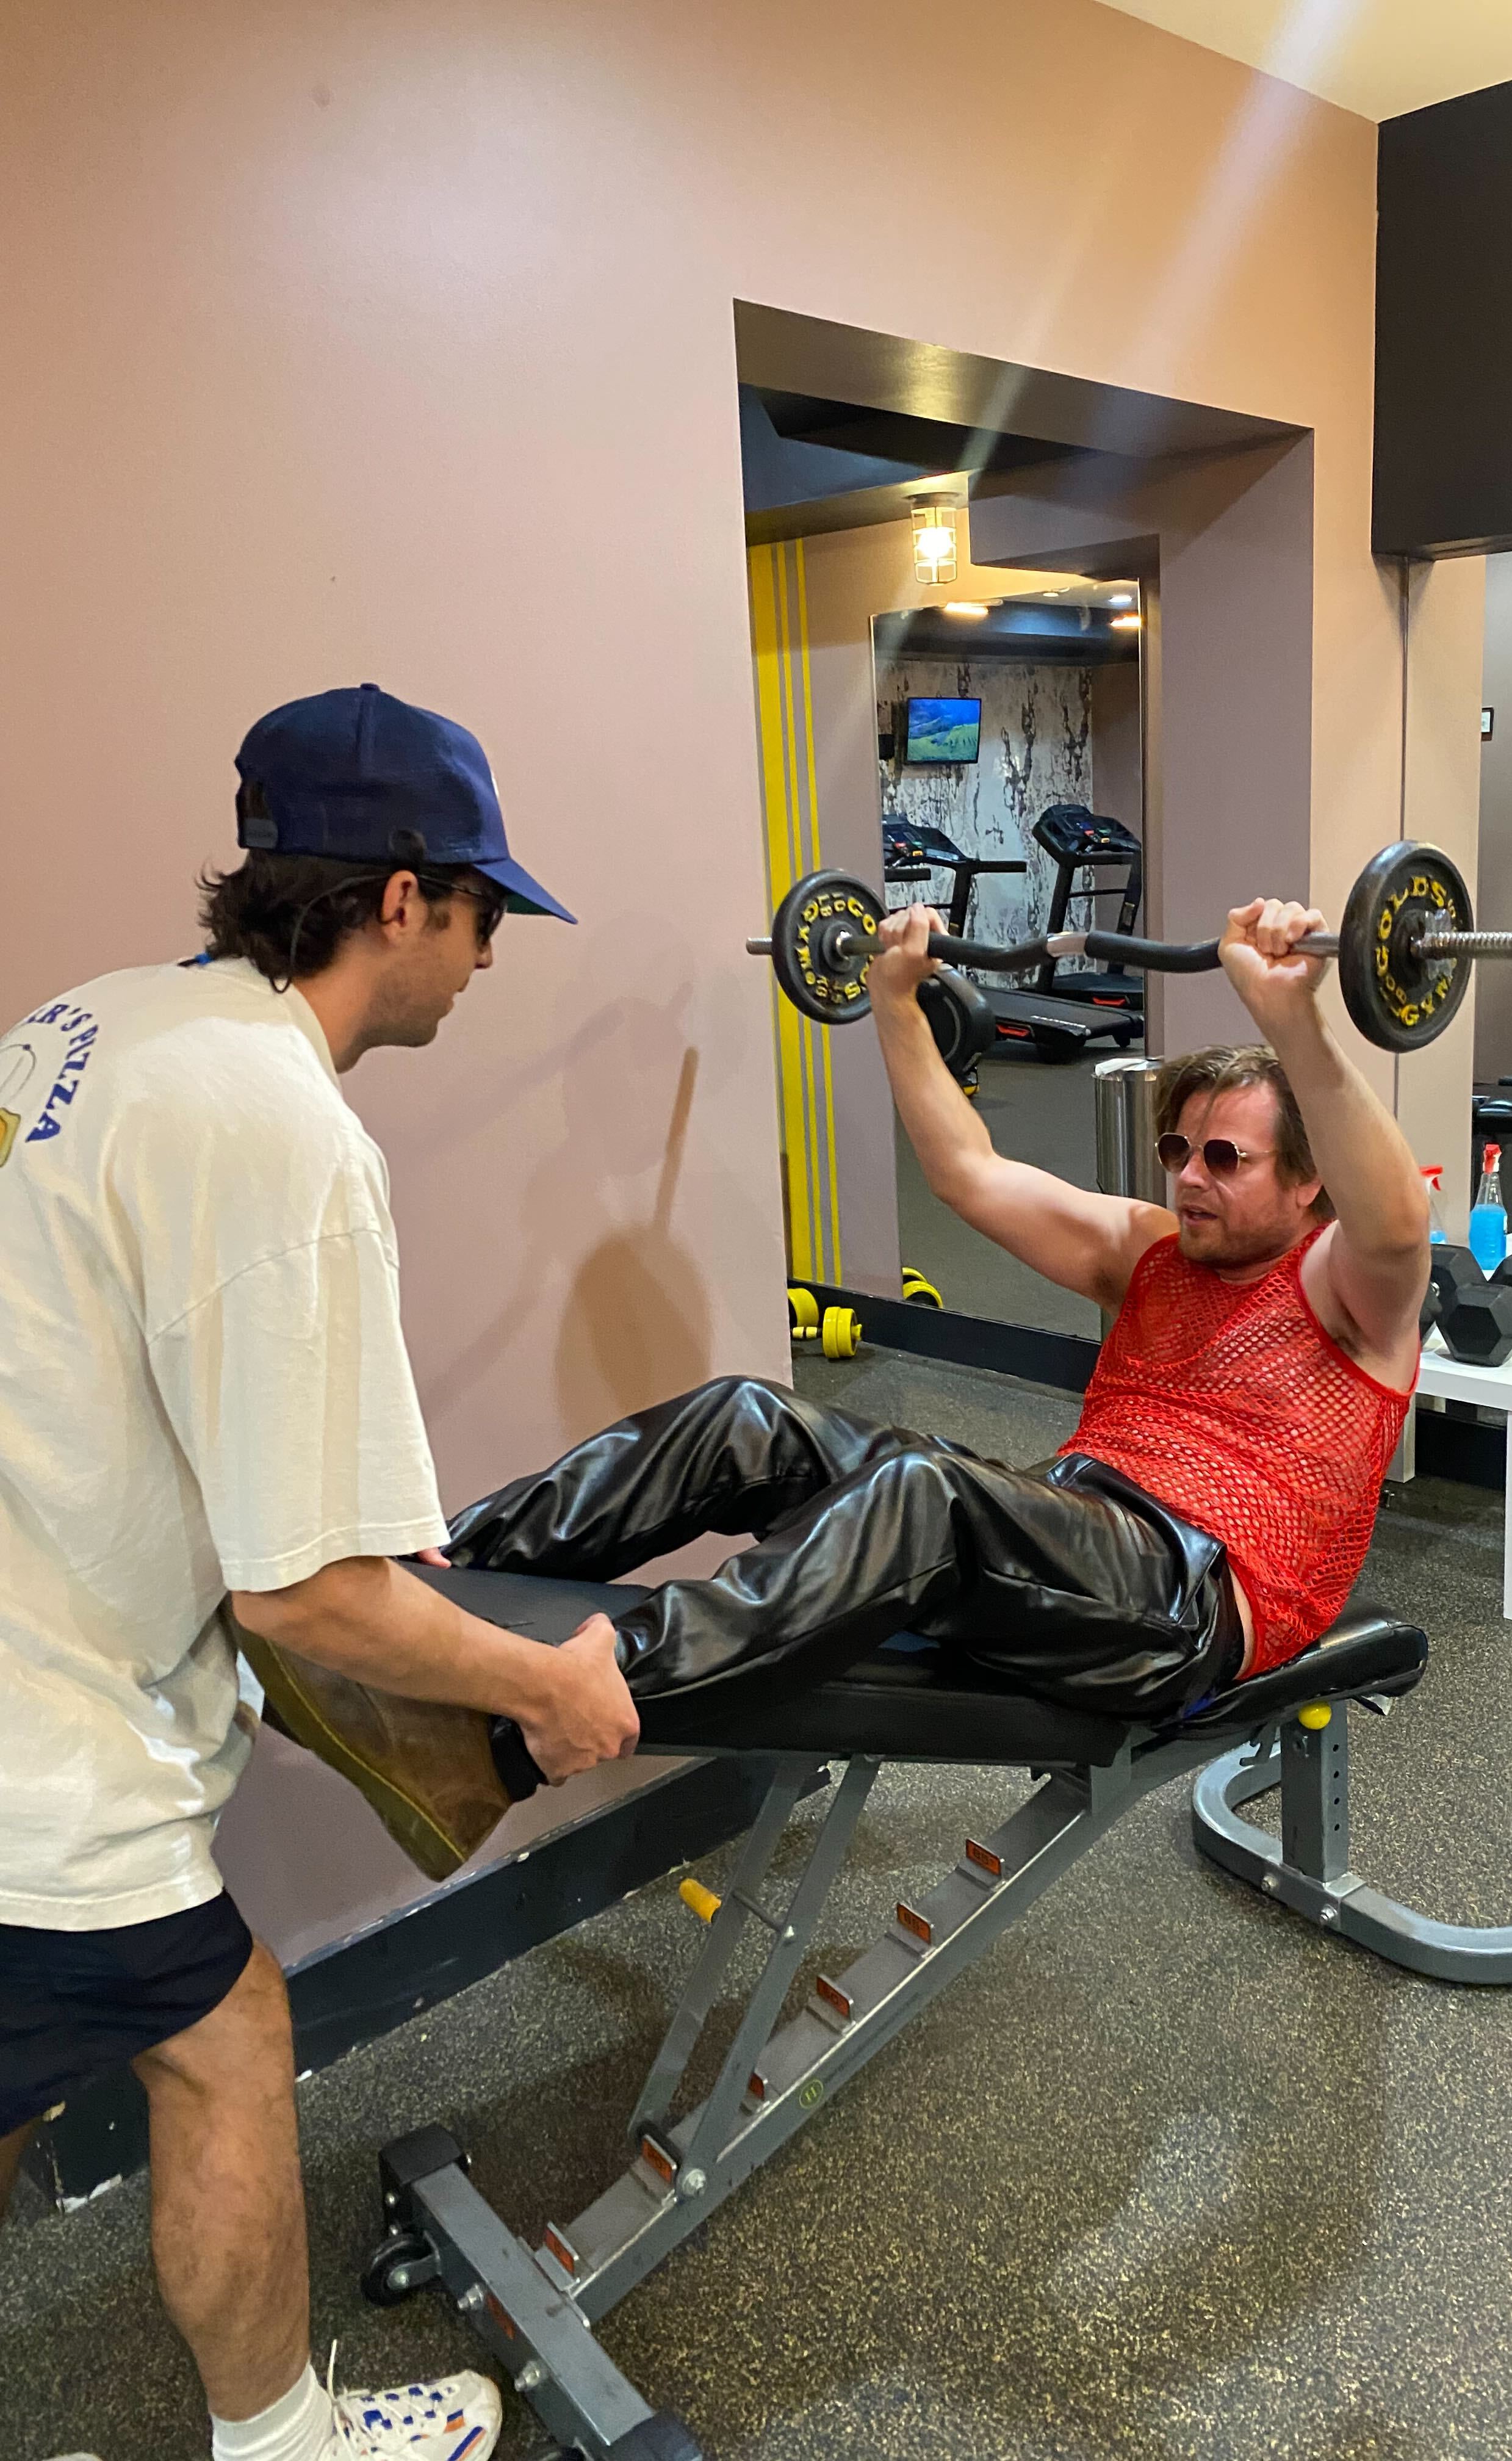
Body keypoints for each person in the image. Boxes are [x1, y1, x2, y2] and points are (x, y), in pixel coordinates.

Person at [0, 685, 640, 2461]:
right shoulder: (286, 1132)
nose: (492, 959)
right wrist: (548, 1686)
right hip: (39, 1742)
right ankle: (287, 2446)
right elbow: (304, 1597)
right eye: (488, 912)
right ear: (403, 897)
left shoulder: (96, 1024)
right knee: (222, 2031)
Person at [433, 887, 1428, 1727]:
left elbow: (1394, 1222)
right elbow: (968, 1172)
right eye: (1177, 1152)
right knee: (748, 1419)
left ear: (1307, 1183)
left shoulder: (1345, 1289)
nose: (1188, 1179)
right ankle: (434, 1575)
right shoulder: (1154, 1252)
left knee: (921, 1491)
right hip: (1074, 1531)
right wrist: (895, 1001)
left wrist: (1295, 1022)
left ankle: (566, 1691)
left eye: (1225, 1159)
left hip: (1189, 1597)